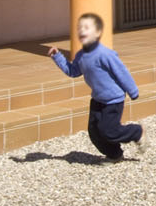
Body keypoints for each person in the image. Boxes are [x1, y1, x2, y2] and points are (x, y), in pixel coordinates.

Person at [48, 13, 145, 162]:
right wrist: (58, 57)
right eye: (79, 28)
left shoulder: (105, 54)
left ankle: (136, 132)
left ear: (98, 33)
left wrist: (133, 91)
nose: (82, 31)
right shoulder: (81, 55)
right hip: (97, 99)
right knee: (94, 133)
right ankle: (115, 154)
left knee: (109, 131)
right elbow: (73, 71)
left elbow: (121, 72)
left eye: (87, 27)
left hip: (113, 99)